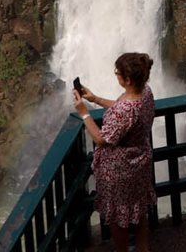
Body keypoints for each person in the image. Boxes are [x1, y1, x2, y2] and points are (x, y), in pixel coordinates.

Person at [72, 52, 157, 252]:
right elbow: (124, 111)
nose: (115, 75)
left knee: (117, 216)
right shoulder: (145, 92)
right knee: (138, 208)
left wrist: (84, 112)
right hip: (139, 161)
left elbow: (102, 139)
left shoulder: (125, 109)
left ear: (127, 80)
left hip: (119, 170)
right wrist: (95, 99)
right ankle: (142, 248)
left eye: (117, 73)